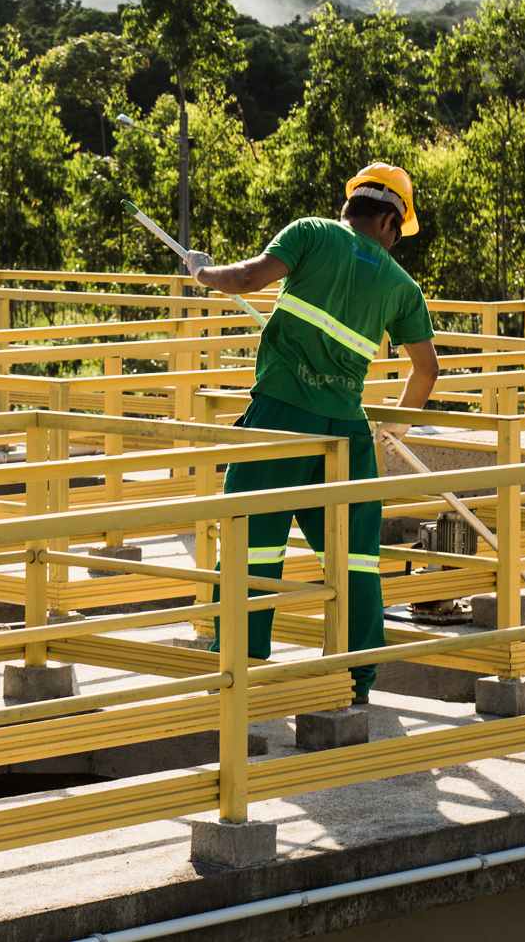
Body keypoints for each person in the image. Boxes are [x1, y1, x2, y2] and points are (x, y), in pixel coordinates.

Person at [185, 162, 440, 704]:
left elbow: (251, 278)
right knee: (355, 561)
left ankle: (239, 664)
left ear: (353, 205)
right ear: (390, 221)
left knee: (250, 545)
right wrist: (389, 430)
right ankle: (355, 679)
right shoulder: (400, 284)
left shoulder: (311, 233)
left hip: (279, 420)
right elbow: (427, 370)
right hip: (346, 434)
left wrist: (203, 273)